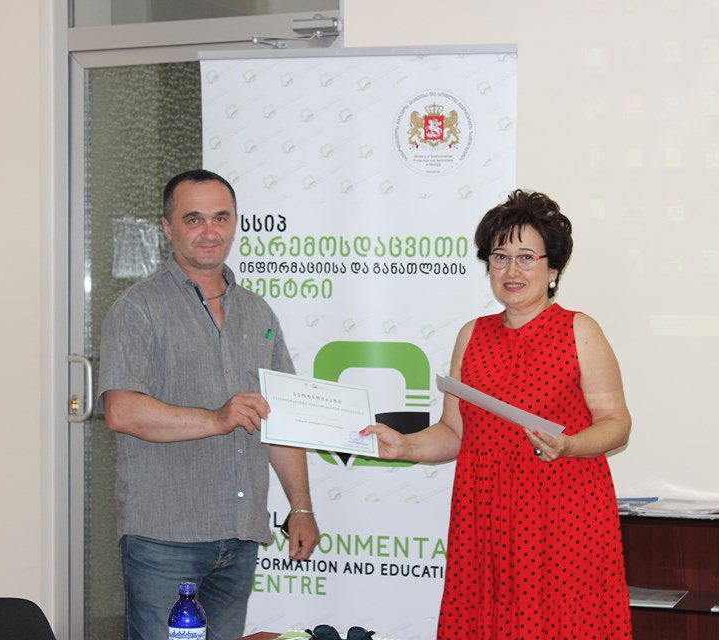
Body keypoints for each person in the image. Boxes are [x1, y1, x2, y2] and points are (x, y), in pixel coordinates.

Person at [362, 190, 633, 639]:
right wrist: (405, 446)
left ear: (553, 268)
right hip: (484, 513)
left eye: (526, 257)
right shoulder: (472, 335)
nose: (511, 270)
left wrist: (569, 445)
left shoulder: (579, 330)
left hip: (562, 512)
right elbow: (454, 432)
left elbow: (617, 423)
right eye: (500, 257)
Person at [97, 169, 320, 640]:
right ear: (167, 227)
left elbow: (281, 418)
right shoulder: (138, 308)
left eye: (220, 217)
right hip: (164, 538)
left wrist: (301, 507)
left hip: (239, 535)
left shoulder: (257, 312)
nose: (210, 231)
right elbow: (121, 411)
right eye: (193, 219)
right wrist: (216, 419)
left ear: (235, 222)